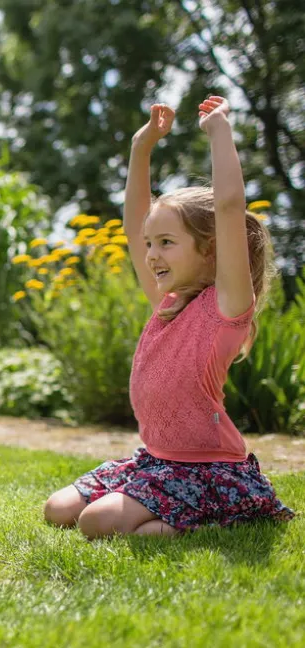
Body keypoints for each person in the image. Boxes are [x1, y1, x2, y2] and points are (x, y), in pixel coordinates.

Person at [43, 97, 294, 538]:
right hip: (157, 462)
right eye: (150, 244)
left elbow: (231, 209)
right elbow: (133, 222)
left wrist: (219, 131)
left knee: (96, 522)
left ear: (210, 250)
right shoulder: (167, 303)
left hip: (209, 471)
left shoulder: (226, 307)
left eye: (166, 243)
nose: (152, 254)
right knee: (58, 508)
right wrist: (142, 148)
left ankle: (236, 510)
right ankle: (159, 518)